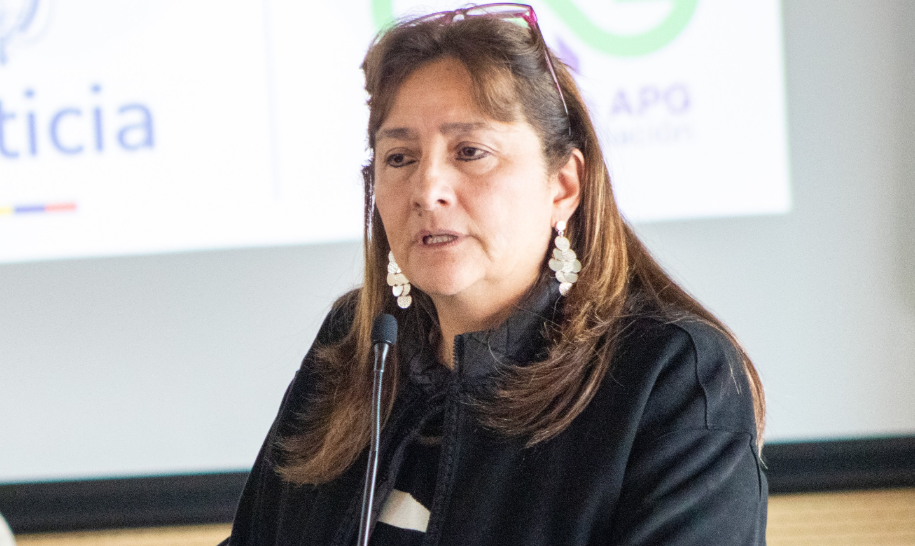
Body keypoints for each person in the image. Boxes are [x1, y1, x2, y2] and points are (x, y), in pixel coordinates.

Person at [223, 4, 767, 545]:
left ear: (563, 186)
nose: (427, 189)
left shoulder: (670, 375)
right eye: (399, 158)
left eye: (470, 152)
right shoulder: (358, 340)